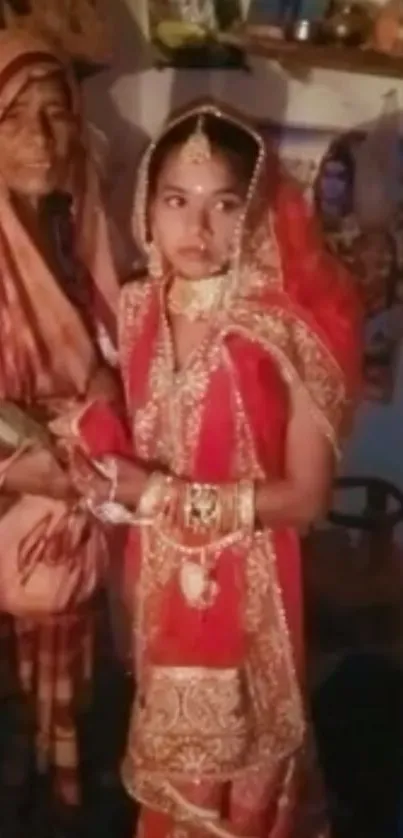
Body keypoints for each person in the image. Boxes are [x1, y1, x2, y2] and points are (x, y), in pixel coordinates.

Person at [67, 102, 362, 838]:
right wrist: (90, 449)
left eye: (223, 205)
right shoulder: (136, 309)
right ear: (147, 206)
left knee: (236, 784)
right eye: (177, 201)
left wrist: (157, 494)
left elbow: (305, 499)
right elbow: (135, 433)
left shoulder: (290, 330)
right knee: (167, 779)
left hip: (249, 589)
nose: (196, 230)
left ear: (255, 211)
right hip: (155, 583)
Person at [0, 29, 120, 835]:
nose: (43, 138)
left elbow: (118, 346)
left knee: (76, 727)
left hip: (75, 518)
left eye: (56, 114)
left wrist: (108, 400)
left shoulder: (82, 217)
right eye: (13, 117)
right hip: (17, 514)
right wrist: (22, 467)